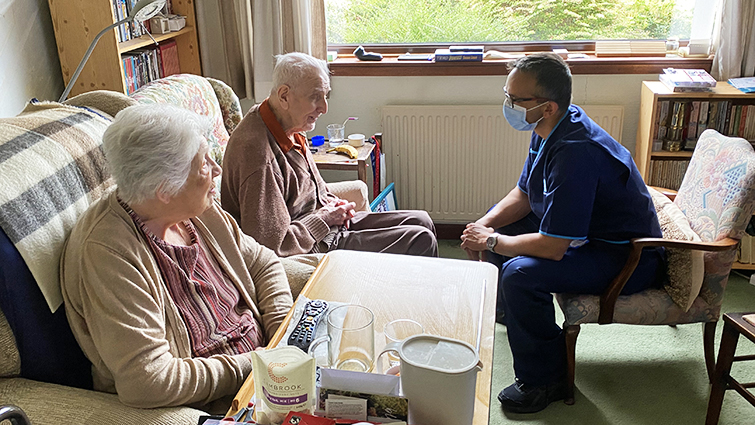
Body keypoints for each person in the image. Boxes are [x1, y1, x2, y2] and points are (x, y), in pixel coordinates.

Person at [460, 53, 666, 414]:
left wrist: (489, 241)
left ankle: (546, 379)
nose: (506, 105)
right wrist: (485, 225)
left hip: (626, 257)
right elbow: (523, 193)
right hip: (587, 235)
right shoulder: (550, 127)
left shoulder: (576, 152)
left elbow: (554, 247)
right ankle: (521, 319)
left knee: (519, 274)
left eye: (514, 99)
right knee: (501, 233)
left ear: (547, 106)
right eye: (506, 94)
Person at [60, 104, 294, 411]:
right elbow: (148, 380)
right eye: (203, 165)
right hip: (223, 400)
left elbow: (263, 261)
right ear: (164, 189)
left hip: (272, 367)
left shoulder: (195, 209)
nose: (217, 169)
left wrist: (285, 335)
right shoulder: (109, 253)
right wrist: (255, 365)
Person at [220, 52, 438, 258]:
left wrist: (334, 205)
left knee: (422, 220)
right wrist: (325, 218)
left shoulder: (286, 123)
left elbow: (313, 189)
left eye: (325, 96)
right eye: (315, 97)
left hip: (325, 226)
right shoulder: (258, 156)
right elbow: (270, 246)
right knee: (420, 239)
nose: (324, 108)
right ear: (284, 95)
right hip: (313, 246)